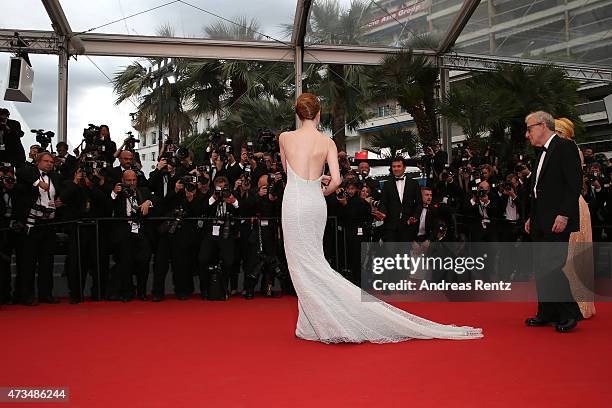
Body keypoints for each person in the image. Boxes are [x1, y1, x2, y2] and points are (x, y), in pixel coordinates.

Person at [279, 93, 482, 343]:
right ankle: (309, 323)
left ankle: (324, 320)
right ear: (319, 114)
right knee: (314, 259)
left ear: (298, 114)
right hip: (315, 203)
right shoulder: (327, 142)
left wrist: (309, 185)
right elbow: (338, 180)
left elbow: (289, 172)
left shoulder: (285, 138)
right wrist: (322, 190)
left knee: (302, 263)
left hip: (294, 203)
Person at [524, 111, 583, 333]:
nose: (527, 134)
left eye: (529, 129)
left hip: (558, 219)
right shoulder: (539, 153)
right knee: (540, 267)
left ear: (542, 125)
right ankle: (546, 312)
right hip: (540, 219)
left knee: (551, 265)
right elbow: (537, 190)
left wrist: (564, 214)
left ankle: (569, 314)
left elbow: (574, 184)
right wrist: (531, 215)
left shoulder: (565, 147)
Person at [555, 118, 596, 319]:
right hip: (565, 204)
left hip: (572, 206)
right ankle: (564, 304)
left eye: (557, 133)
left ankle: (577, 305)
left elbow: (571, 182)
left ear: (565, 134)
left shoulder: (571, 150)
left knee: (574, 256)